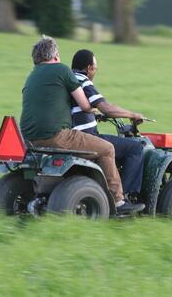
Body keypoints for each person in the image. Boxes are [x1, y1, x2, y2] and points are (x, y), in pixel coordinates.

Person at [19, 36, 144, 214]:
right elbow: (85, 105)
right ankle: (119, 202)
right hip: (56, 136)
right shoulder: (62, 70)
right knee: (107, 148)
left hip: (29, 139)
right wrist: (99, 110)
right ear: (55, 56)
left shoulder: (31, 76)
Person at [71, 49, 145, 198]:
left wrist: (93, 116)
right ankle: (126, 196)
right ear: (89, 68)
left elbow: (76, 107)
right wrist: (132, 114)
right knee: (135, 148)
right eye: (95, 68)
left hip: (69, 134)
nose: (95, 72)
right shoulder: (83, 81)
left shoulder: (68, 79)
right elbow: (106, 108)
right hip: (87, 137)